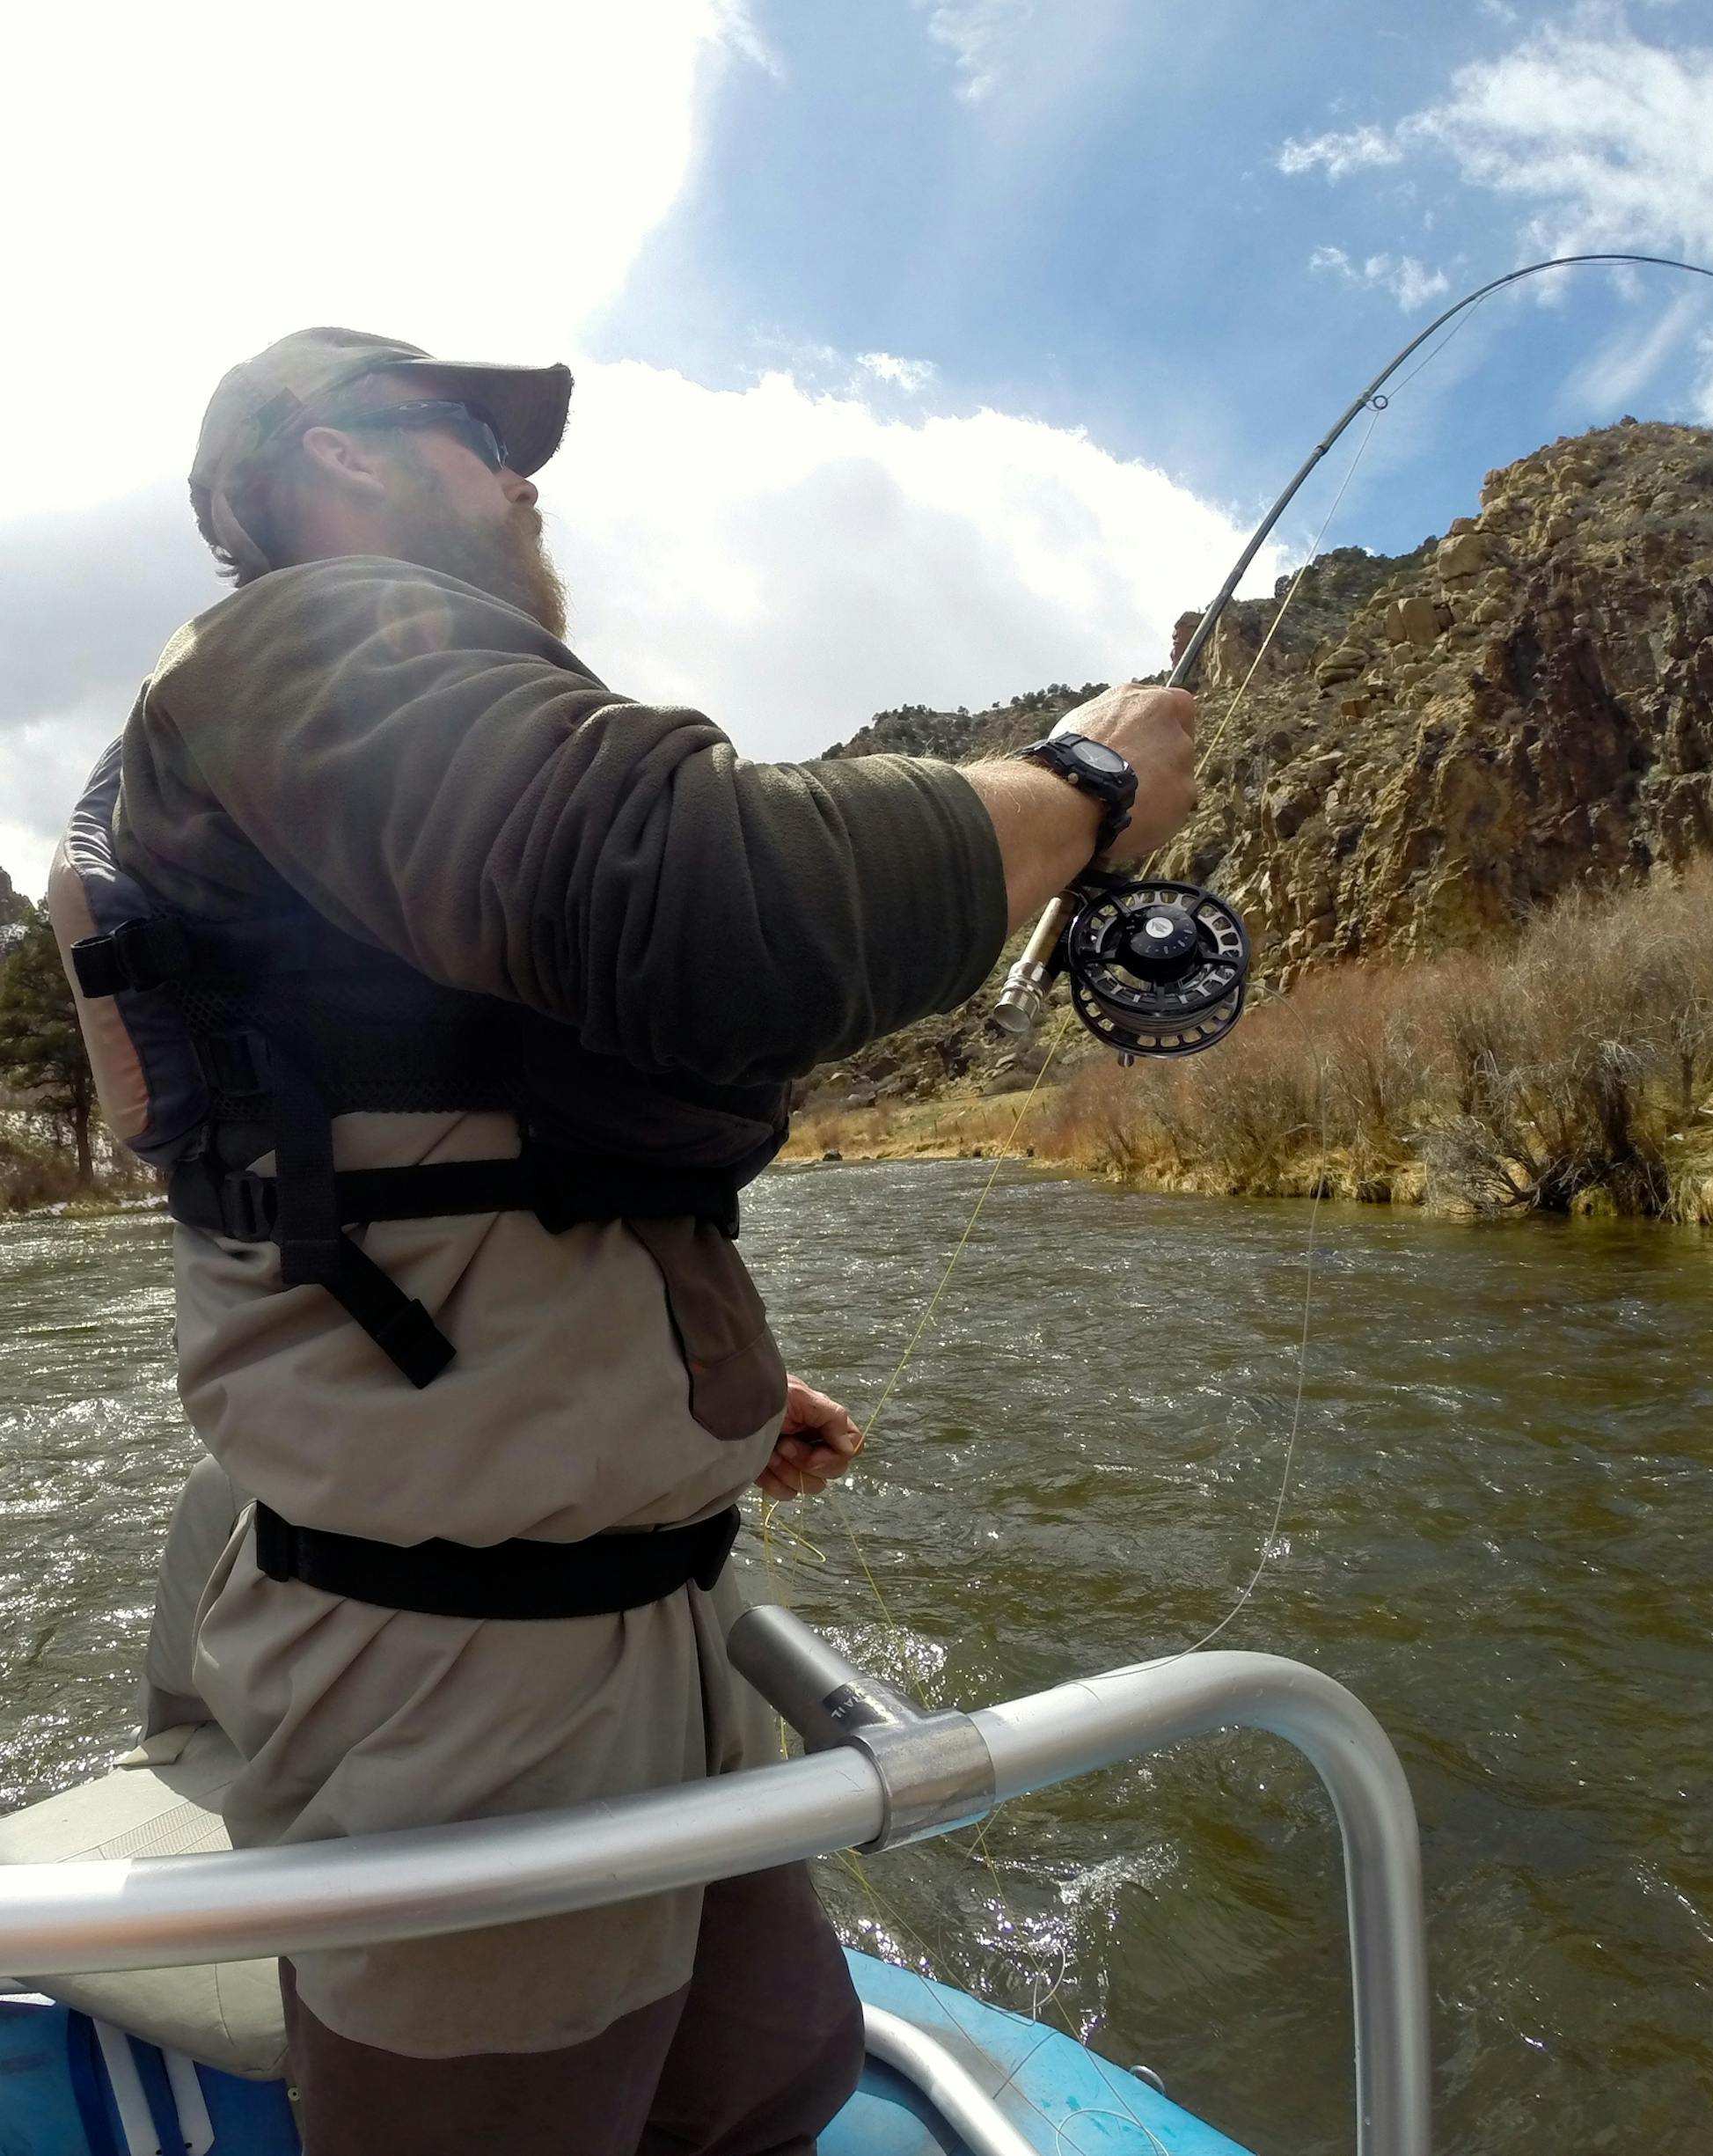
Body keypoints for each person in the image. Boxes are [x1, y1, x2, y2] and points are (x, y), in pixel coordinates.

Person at [70, 326, 1198, 2154]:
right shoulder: (311, 646)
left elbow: (484, 1156)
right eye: (475, 436)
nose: (525, 478)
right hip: (464, 1696)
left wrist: (719, 1398)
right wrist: (1087, 793)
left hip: (644, 1634)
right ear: (339, 458)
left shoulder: (365, 753)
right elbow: (697, 902)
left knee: (766, 2082)